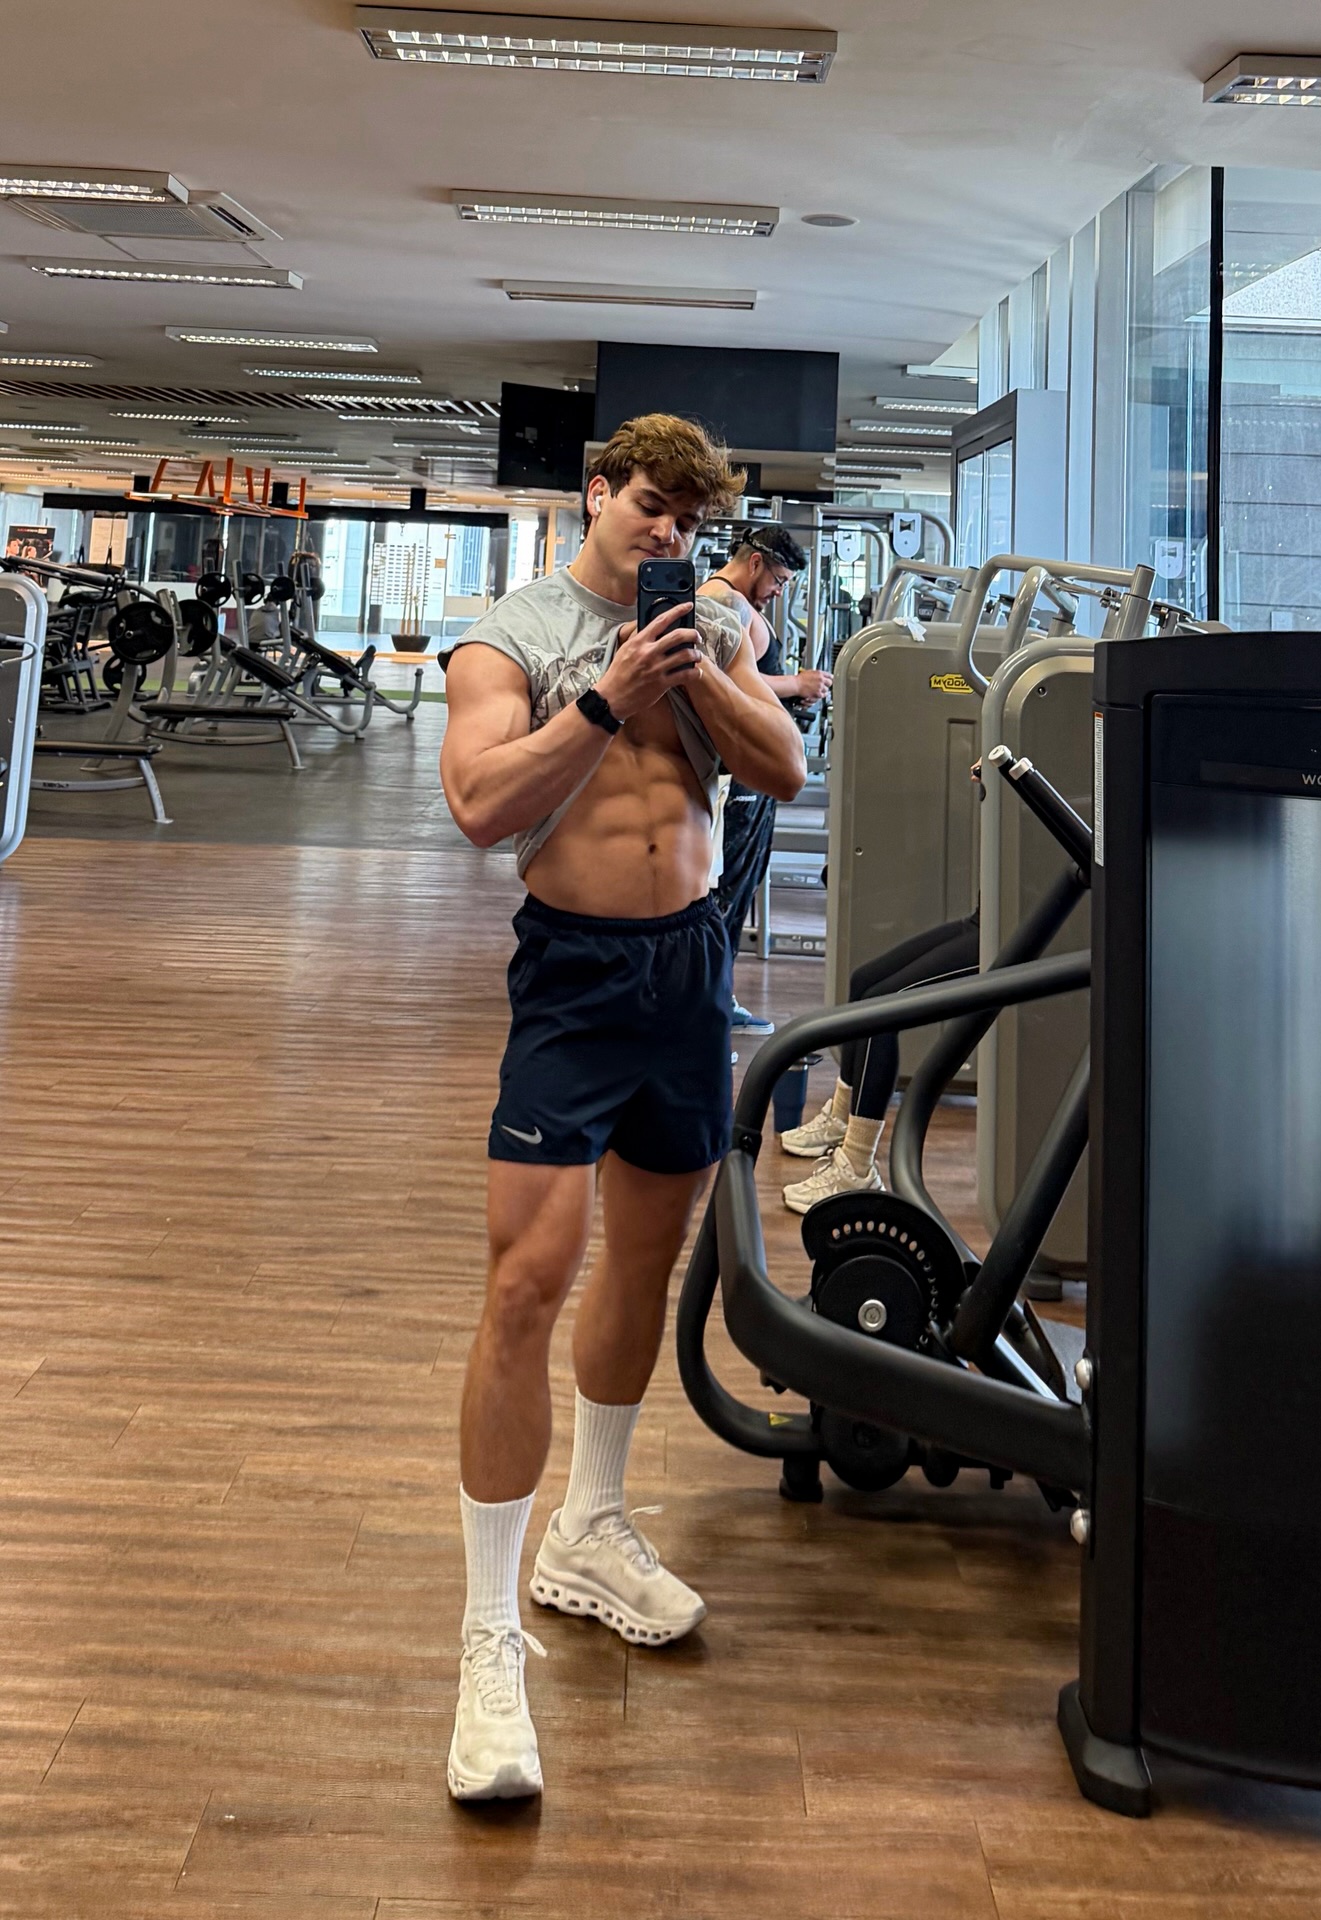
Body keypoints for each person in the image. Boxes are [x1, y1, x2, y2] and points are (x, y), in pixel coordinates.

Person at [437, 414, 807, 1801]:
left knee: (647, 1263)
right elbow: (479, 806)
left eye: (690, 523)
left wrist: (696, 671)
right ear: (596, 494)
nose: (670, 534)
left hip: (690, 966)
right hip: (577, 975)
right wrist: (604, 699)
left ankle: (590, 1524)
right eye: (651, 506)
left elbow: (781, 770)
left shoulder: (712, 628)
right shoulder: (509, 636)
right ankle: (487, 1637)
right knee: (527, 1279)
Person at [699, 525, 832, 1033]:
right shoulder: (723, 601)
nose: (778, 592)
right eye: (778, 579)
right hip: (737, 776)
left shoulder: (734, 603)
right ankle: (709, 1002)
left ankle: (715, 997)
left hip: (749, 773)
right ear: (754, 562)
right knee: (725, 889)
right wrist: (795, 683)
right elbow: (721, 680)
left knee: (739, 886)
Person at [779, 908, 980, 1212]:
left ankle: (857, 1168)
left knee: (882, 1008)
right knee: (863, 981)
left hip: (1007, 934)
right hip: (983, 920)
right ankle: (841, 1120)